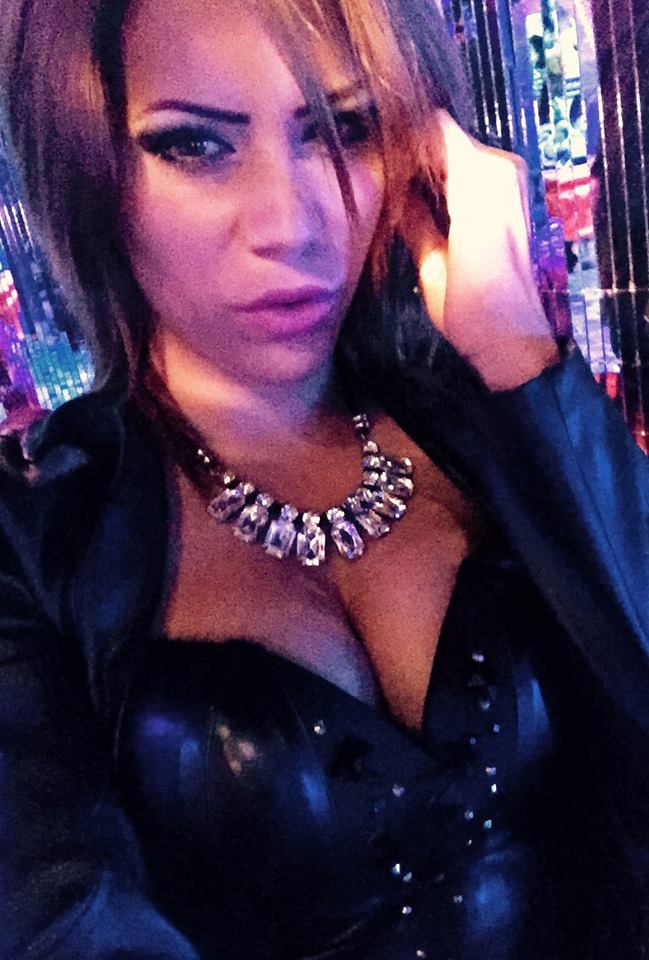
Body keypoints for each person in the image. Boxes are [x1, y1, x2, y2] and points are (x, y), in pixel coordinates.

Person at [0, 1, 648, 958]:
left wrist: (516, 355)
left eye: (344, 129)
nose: (292, 224)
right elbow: (55, 910)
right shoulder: (34, 539)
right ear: (86, 169)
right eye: (194, 145)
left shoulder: (485, 428)